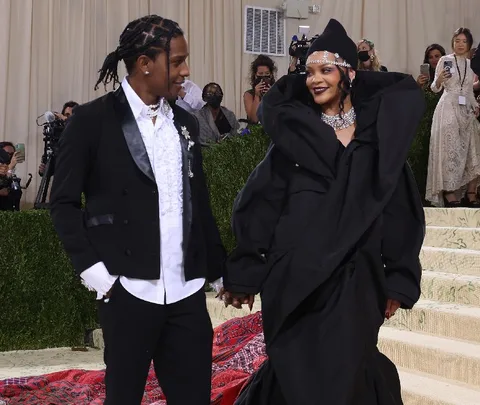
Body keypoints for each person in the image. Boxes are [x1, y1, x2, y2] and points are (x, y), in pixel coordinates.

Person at [222, 19, 425, 405]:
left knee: (348, 375)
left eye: (325, 70)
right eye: (309, 71)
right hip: (294, 281)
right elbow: (259, 203)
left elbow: (402, 213)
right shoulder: (295, 136)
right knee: (295, 374)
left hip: (356, 282)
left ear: (348, 73)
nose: (315, 79)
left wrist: (397, 278)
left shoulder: (378, 139)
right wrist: (247, 272)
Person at [49, 14, 226, 405]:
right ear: (145, 63)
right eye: (177, 61)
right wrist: (100, 277)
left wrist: (216, 271)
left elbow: (198, 202)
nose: (186, 71)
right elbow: (62, 204)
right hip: (127, 290)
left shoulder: (186, 123)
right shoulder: (91, 120)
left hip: (187, 293)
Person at [426, 27, 480, 207]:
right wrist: (439, 80)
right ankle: (450, 193)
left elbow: (468, 91)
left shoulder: (471, 64)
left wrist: (475, 107)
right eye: (457, 41)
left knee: (473, 147)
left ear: (469, 44)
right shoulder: (445, 60)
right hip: (448, 107)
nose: (460, 44)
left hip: (465, 109)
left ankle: (471, 193)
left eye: (464, 41)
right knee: (450, 150)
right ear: (453, 42)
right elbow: (434, 88)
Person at [243, 55, 277, 123]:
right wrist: (257, 95)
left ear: (271, 75)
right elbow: (253, 120)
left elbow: (277, 116)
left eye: (267, 73)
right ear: (255, 75)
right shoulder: (249, 94)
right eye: (260, 73)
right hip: (256, 131)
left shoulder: (277, 92)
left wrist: (270, 96)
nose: (264, 76)